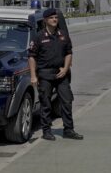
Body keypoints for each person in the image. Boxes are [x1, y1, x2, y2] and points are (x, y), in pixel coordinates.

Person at [28, 8, 83, 141]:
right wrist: (33, 76)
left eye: (56, 18)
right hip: (45, 74)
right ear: (46, 20)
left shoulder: (63, 34)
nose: (54, 20)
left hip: (61, 73)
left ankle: (68, 129)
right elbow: (31, 57)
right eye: (52, 18)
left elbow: (69, 52)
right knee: (45, 103)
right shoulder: (39, 37)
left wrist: (65, 68)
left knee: (67, 101)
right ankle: (46, 131)